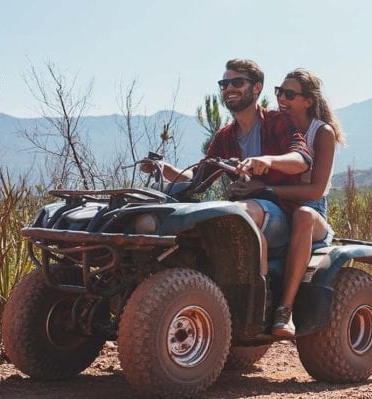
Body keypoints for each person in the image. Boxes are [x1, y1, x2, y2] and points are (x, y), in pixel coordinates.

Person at [142, 58, 311, 298]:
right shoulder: (225, 136)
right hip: (242, 209)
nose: (229, 88)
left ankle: (256, 303)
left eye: (237, 82)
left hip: (281, 213)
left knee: (238, 214)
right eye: (224, 84)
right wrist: (163, 167)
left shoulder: (277, 122)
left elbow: (302, 159)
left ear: (257, 88)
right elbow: (197, 177)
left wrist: (268, 161)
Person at [230, 69, 342, 337]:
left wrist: (267, 187)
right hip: (277, 205)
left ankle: (285, 309)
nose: (281, 98)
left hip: (311, 211)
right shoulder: (277, 126)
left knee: (303, 215)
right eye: (279, 92)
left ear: (308, 101)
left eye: (289, 94)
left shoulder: (321, 133)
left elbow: (315, 190)